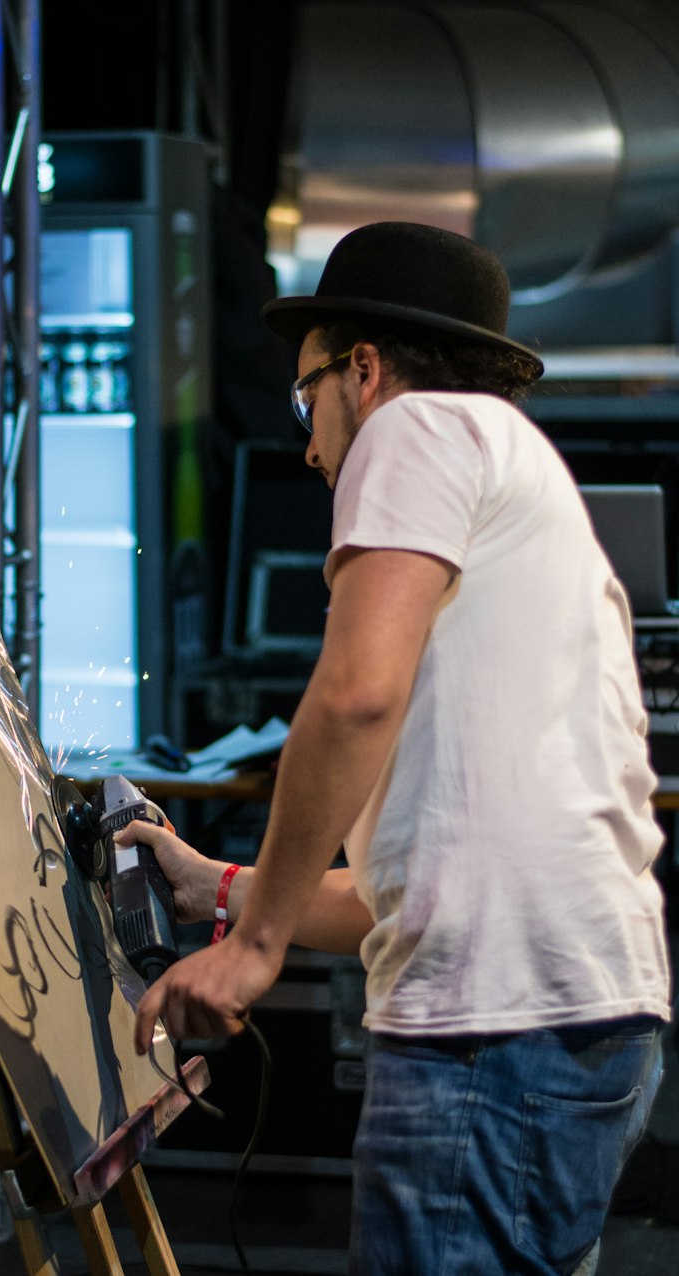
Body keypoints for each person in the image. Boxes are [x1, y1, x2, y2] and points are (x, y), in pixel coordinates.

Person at [120, 222, 672, 1275]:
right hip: (578, 1024)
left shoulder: (413, 430)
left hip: (493, 1039)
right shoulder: (509, 470)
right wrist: (216, 889)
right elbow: (403, 896)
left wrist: (256, 945)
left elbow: (354, 695)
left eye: (305, 400)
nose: (310, 446)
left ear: (361, 372)